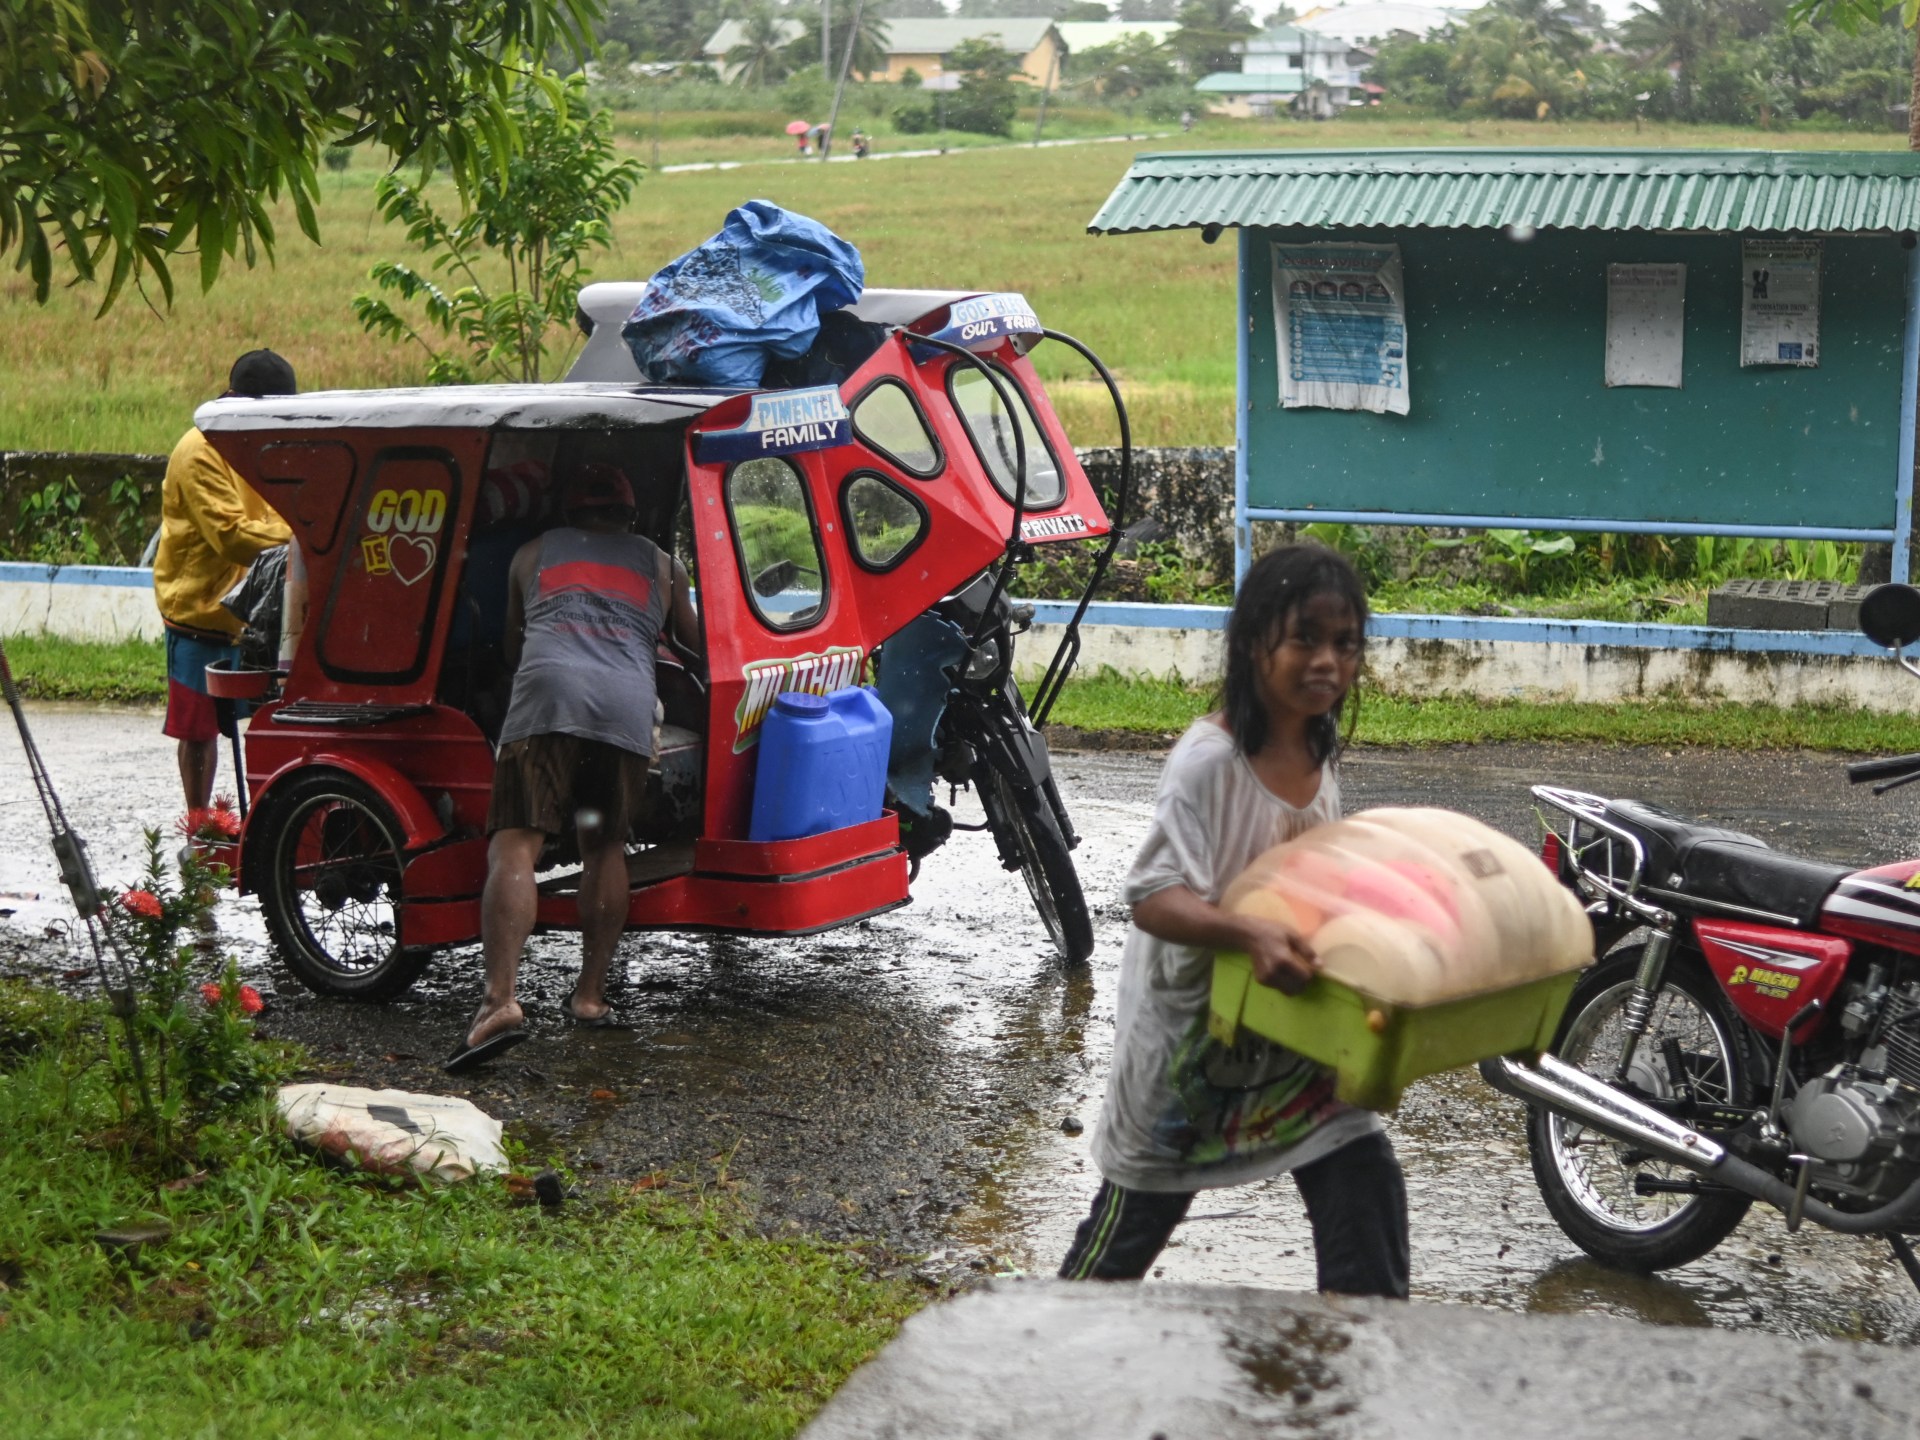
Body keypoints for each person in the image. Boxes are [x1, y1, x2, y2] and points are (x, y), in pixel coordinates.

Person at [1058, 544, 1410, 1298]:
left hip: (1289, 1033)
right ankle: (1040, 1354)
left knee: (1362, 1176)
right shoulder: (1208, 763)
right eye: (1305, 639)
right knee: (1129, 1228)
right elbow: (1153, 894)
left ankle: (1362, 1370)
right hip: (1191, 1046)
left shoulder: (1317, 744)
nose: (1328, 663)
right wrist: (1248, 932)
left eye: (1345, 644)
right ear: (1255, 645)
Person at [448, 463, 700, 1072]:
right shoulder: (665, 566)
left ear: (568, 511)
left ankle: (500, 1001)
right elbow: (693, 646)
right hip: (624, 713)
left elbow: (512, 647)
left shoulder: (533, 554)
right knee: (604, 845)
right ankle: (589, 996)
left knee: (515, 848)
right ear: (630, 512)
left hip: (546, 703)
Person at [152, 350, 296, 811]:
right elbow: (232, 536)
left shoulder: (263, 445)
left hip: (258, 613)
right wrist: (310, 539)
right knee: (199, 734)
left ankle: (266, 822)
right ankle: (199, 828)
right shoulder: (199, 451)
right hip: (202, 612)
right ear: (233, 401)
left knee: (268, 725)